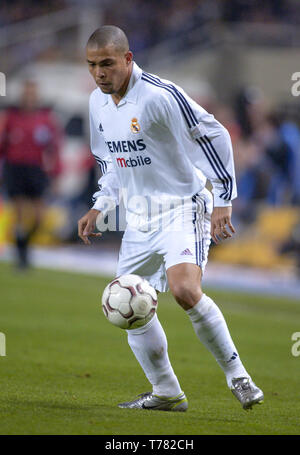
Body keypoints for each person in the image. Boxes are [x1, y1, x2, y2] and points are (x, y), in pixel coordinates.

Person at [78, 25, 264, 412]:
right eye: (92, 65)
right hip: (139, 218)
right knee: (128, 307)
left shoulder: (160, 96)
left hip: (182, 207)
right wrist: (100, 205)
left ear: (128, 59)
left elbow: (214, 135)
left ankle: (239, 377)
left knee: (184, 290)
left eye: (107, 64)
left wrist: (223, 199)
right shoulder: (97, 103)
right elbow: (111, 162)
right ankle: (166, 392)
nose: (99, 73)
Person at [0, 80, 62, 269]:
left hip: (36, 170)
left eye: (32, 93)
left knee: (39, 218)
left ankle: (23, 243)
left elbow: (55, 148)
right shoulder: (11, 117)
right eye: (27, 93)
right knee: (18, 213)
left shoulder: (46, 119)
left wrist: (56, 173)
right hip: (15, 168)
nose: (29, 97)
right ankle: (21, 255)